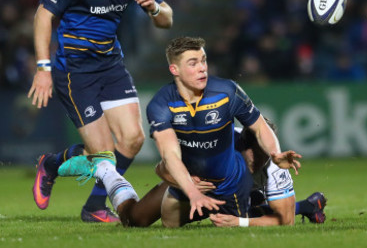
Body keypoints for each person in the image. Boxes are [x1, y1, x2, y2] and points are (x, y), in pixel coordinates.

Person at [57, 36, 308, 228]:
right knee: (134, 220)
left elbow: (261, 127)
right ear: (175, 70)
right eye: (193, 63)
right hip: (189, 182)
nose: (202, 68)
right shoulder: (161, 104)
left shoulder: (228, 93)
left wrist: (274, 153)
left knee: (242, 213)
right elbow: (167, 160)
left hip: (228, 188)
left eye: (204, 61)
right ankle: (104, 169)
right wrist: (190, 188)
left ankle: (304, 205)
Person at [29, 0, 173, 222]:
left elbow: (167, 19)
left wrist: (154, 9)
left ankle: (93, 206)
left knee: (133, 139)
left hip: (110, 64)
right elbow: (43, 15)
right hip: (75, 70)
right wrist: (43, 68)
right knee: (102, 154)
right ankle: (52, 165)